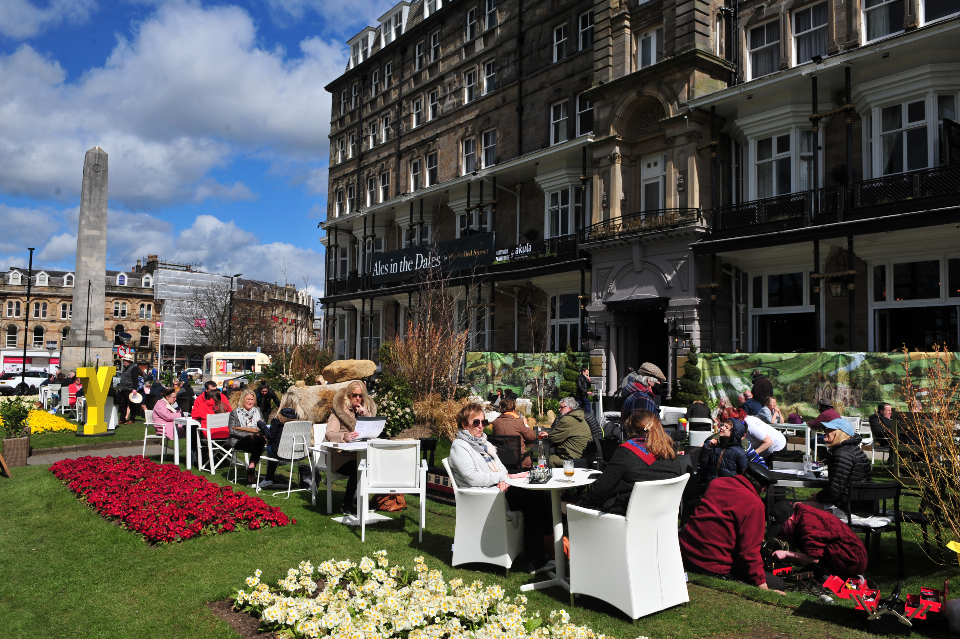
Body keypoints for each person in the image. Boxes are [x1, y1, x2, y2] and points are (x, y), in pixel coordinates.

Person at [448, 402, 554, 574]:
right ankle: (538, 557)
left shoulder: (484, 444)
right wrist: (500, 479)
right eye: (476, 422)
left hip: (497, 491)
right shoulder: (459, 447)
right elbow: (472, 478)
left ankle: (540, 555)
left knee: (538, 496)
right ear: (464, 424)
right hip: (484, 497)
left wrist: (504, 479)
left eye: (483, 422)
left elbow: (502, 469)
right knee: (534, 499)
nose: (481, 426)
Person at [680, 462, 785, 593]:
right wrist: (761, 584)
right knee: (778, 583)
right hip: (713, 565)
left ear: (743, 472)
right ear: (763, 488)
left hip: (686, 553)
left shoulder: (716, 483)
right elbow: (750, 550)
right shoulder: (754, 504)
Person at [578, 409, 681, 514]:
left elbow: (597, 492)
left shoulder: (626, 452)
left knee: (580, 505)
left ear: (630, 431)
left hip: (626, 518)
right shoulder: (671, 452)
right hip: (663, 517)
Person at [769, 500, 868, 580]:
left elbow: (814, 558)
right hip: (848, 555)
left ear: (790, 520)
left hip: (852, 561)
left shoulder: (808, 523)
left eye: (782, 528)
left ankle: (830, 574)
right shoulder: (802, 514)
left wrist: (786, 554)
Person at [326, 381, 378, 515]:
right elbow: (329, 434)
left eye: (361, 395)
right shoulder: (338, 412)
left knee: (370, 465)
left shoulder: (364, 411)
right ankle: (347, 503)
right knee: (358, 467)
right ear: (348, 395)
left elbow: (371, 431)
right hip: (339, 456)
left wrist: (365, 415)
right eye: (355, 395)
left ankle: (360, 500)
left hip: (359, 453)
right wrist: (345, 436)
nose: (358, 398)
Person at [811, 418, 872, 512]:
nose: (825, 431)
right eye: (825, 429)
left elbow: (834, 492)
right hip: (858, 504)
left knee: (796, 507)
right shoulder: (851, 450)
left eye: (830, 429)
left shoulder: (842, 454)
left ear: (841, 433)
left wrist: (818, 497)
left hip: (848, 508)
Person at [224, 389, 267, 485]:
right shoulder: (235, 413)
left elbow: (263, 425)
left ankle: (251, 466)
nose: (250, 402)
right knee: (259, 443)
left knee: (259, 441)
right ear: (243, 400)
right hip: (239, 441)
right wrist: (248, 435)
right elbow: (232, 430)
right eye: (248, 399)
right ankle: (252, 470)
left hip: (256, 440)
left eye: (252, 399)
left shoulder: (257, 411)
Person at [697, 419, 750, 489]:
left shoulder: (740, 453)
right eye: (722, 425)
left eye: (726, 427)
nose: (722, 428)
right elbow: (703, 462)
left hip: (729, 488)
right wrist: (708, 447)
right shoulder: (716, 447)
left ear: (734, 432)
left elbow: (743, 474)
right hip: (713, 486)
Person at [257, 407, 301, 488]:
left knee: (270, 445)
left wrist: (261, 425)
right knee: (273, 445)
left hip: (280, 453)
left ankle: (268, 478)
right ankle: (269, 478)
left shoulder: (277, 420)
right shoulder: (300, 422)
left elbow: (270, 436)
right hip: (297, 453)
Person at [491, 398, 538, 469]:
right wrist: (525, 424)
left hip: (503, 462)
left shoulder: (495, 422)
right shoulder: (517, 422)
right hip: (520, 461)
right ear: (514, 409)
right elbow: (531, 437)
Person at [546, 397, 592, 467]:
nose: (559, 409)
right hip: (583, 456)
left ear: (570, 408)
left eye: (562, 407)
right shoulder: (580, 417)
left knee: (549, 459)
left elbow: (553, 438)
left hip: (573, 458)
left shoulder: (567, 419)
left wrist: (547, 435)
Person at [117, 355, 142, 424]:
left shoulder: (133, 368)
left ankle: (132, 419)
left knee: (131, 404)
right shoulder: (125, 368)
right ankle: (122, 418)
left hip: (129, 388)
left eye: (125, 360)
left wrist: (134, 389)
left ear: (128, 361)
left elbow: (135, 379)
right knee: (122, 404)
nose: (124, 362)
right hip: (123, 388)